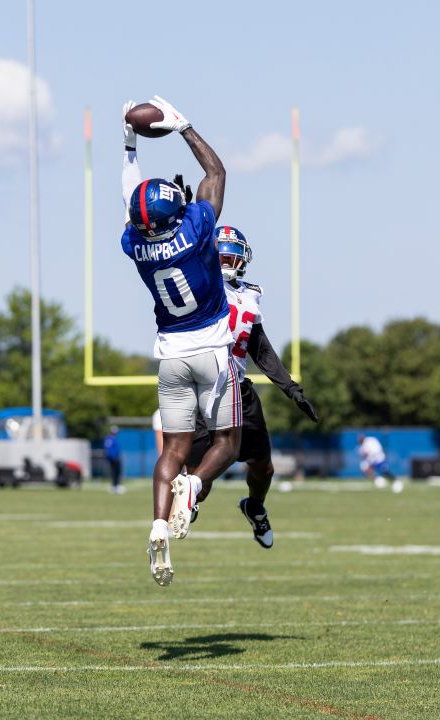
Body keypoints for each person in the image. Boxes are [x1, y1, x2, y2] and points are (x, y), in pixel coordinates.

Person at [120, 96, 240, 586]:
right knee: (229, 443)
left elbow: (132, 203)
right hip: (211, 348)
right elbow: (216, 172)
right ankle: (194, 486)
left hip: (169, 355)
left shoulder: (136, 245)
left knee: (172, 447)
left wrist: (129, 145)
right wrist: (184, 127)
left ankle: (156, 523)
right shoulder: (196, 228)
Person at [176, 225, 320, 548]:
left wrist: (291, 389)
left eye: (232, 256)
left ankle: (254, 508)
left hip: (240, 390)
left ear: (243, 260)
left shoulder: (249, 296)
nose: (226, 262)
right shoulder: (201, 284)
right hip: (204, 390)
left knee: (263, 469)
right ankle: (189, 502)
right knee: (202, 473)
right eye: (221, 255)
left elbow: (261, 349)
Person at [103, 425, 125, 494]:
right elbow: (108, 449)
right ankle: (114, 486)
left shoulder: (114, 438)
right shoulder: (109, 439)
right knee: (114, 472)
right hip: (113, 458)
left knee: (118, 472)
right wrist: (112, 457)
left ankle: (117, 485)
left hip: (116, 457)